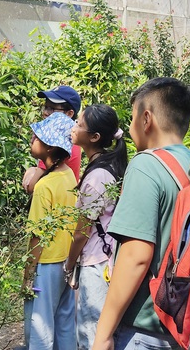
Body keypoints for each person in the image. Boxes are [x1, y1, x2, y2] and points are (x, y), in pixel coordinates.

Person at [92, 77, 190, 350]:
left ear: (146, 118)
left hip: (145, 332)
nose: (130, 129)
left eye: (131, 119)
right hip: (187, 328)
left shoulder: (146, 165)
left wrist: (103, 334)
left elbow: (136, 258)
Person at [64, 104, 128, 350]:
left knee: (91, 334)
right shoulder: (106, 165)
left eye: (79, 124)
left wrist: (69, 266)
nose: (74, 127)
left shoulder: (97, 176)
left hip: (96, 263)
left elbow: (82, 231)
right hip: (107, 258)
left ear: (94, 137)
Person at [22, 111, 78, 350]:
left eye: (36, 137)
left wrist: (27, 273)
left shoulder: (44, 186)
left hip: (45, 263)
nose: (32, 139)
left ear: (48, 147)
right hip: (66, 261)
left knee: (40, 323)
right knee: (65, 320)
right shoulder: (69, 176)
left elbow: (37, 235)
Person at [22, 85, 82, 193]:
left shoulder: (57, 144)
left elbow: (31, 186)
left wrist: (30, 171)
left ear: (69, 114)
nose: (45, 112)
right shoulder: (73, 139)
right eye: (46, 107)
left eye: (52, 109)